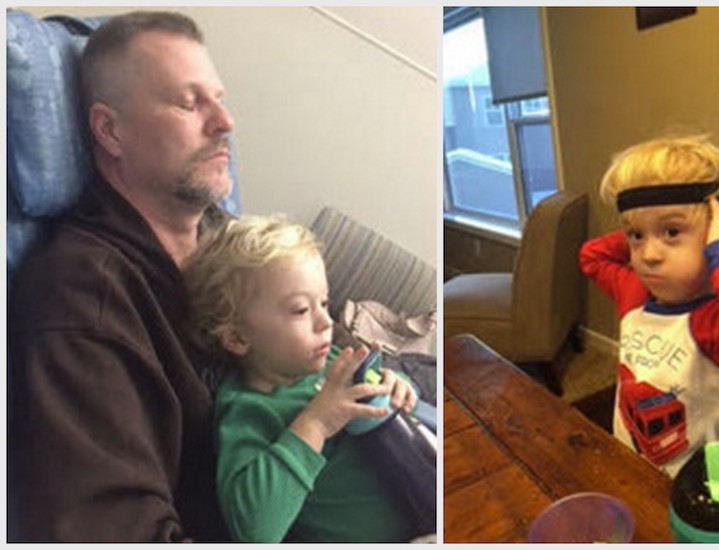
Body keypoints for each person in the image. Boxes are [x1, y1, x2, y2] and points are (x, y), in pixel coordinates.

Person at [9, 11, 235, 541]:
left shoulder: (227, 236)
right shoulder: (82, 297)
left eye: (219, 98)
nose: (225, 122)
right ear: (110, 130)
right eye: (189, 102)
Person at [183, 214, 426, 543]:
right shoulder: (247, 412)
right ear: (238, 338)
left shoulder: (328, 363)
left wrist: (398, 386)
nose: (326, 321)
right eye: (300, 310)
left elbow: (398, 404)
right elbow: (254, 530)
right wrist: (316, 423)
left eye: (324, 303)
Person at [578, 135, 719, 478]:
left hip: (716, 489)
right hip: (637, 466)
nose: (648, 255)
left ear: (715, 236)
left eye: (672, 231)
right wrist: (646, 221)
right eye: (636, 236)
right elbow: (592, 256)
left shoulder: (715, 321)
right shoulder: (636, 293)